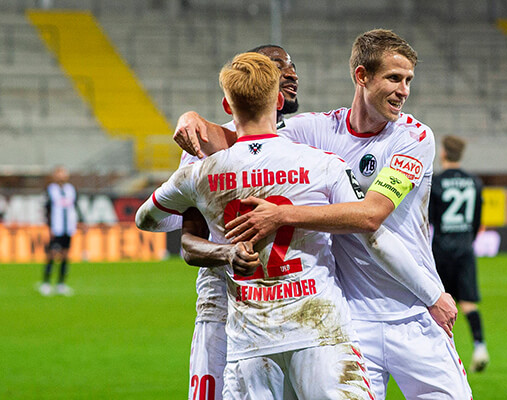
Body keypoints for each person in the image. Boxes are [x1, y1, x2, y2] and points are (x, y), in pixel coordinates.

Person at [175, 29, 472, 399]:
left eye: (408, 80)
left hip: (414, 308)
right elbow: (248, 136)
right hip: (351, 319)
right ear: (361, 76)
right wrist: (194, 120)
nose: (404, 90)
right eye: (394, 78)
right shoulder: (316, 130)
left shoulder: (413, 137)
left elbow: (370, 216)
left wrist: (283, 217)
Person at [149, 44, 300, 400]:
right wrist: (227, 253)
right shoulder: (204, 148)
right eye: (280, 66)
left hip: (292, 306)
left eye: (294, 66)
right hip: (224, 303)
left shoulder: (305, 138)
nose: (292, 74)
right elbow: (188, 243)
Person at [429, 135, 489, 373]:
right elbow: (476, 221)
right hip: (465, 248)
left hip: (441, 249)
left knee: (435, 303)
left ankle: (440, 354)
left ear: (443, 153)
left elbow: (429, 220)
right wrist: (467, 241)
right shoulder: (474, 182)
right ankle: (480, 346)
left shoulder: (437, 182)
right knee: (468, 302)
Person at [38, 166, 79, 297]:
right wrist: (49, 227)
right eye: (59, 173)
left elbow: (75, 207)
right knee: (52, 254)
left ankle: (61, 284)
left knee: (65, 255)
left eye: (63, 173)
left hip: (68, 227)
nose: (62, 175)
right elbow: (46, 209)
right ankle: (46, 283)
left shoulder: (71, 190)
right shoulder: (50, 190)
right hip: (56, 228)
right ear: (54, 175)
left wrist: (79, 222)